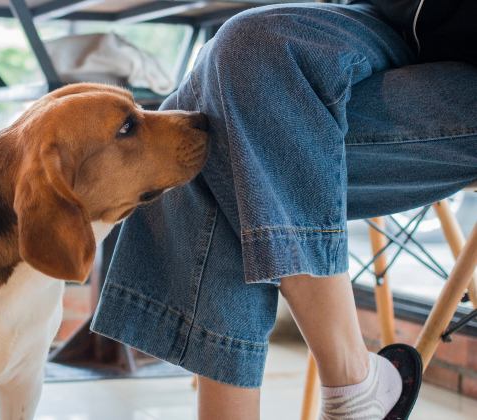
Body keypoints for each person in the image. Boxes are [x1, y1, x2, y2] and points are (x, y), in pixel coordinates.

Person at [91, 1, 477, 419]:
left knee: (211, 137)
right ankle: (357, 389)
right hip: (390, 20)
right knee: (245, 47)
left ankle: (349, 392)